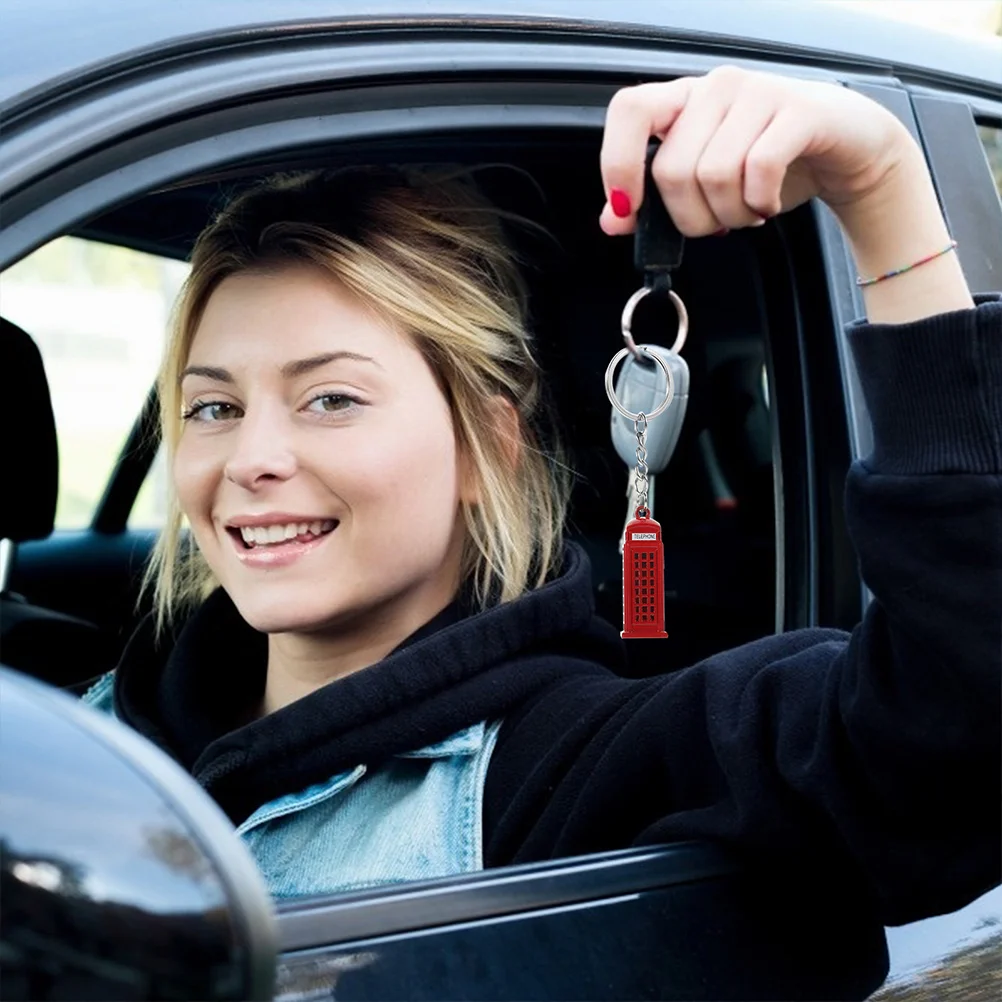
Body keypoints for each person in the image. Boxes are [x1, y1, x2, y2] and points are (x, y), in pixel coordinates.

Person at [82, 67, 1000, 930]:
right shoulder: (90, 722)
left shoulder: (564, 767)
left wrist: (879, 183)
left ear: (488, 445)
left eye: (331, 399)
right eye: (214, 406)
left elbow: (947, 740)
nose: (251, 457)